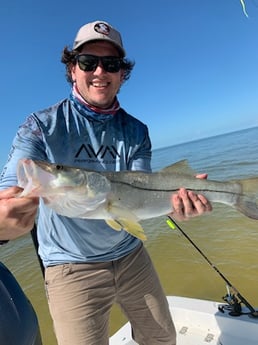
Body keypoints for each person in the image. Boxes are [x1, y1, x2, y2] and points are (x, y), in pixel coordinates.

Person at [0, 20, 212, 345]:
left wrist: (175, 204)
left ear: (122, 74)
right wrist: (5, 220)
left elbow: (141, 190)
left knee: (163, 338)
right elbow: (12, 184)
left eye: (111, 64)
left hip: (130, 255)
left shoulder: (136, 130)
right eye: (88, 62)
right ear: (72, 69)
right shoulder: (40, 126)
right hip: (71, 267)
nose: (100, 71)